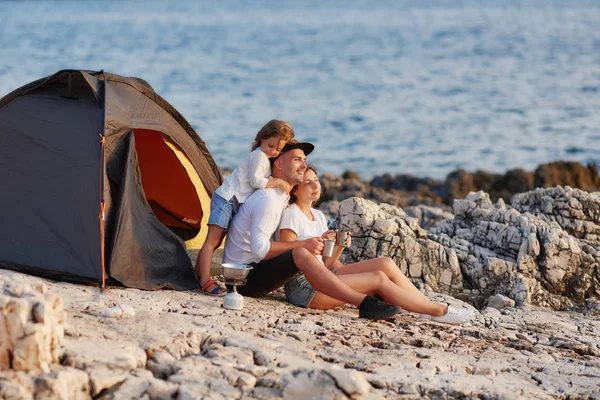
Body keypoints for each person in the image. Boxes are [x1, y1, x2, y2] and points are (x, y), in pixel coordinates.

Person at [222, 140, 400, 320]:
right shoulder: (269, 199)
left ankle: (375, 299)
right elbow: (260, 250)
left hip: (253, 270)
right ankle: (363, 303)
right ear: (279, 163)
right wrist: (303, 244)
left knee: (301, 252)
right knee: (299, 252)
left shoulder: (281, 197)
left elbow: (326, 262)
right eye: (297, 160)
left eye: (304, 160)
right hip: (243, 279)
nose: (304, 165)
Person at [276, 165, 473, 325]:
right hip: (304, 291)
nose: (315, 185)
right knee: (378, 278)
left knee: (385, 263)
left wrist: (337, 246)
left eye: (316, 180)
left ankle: (425, 307)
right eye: (307, 182)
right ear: (295, 189)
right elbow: (289, 262)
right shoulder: (292, 215)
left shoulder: (318, 216)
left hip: (323, 278)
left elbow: (326, 265)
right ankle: (438, 311)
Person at [195, 120, 295, 296]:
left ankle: (200, 273)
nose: (273, 152)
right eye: (270, 146)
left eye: (278, 149)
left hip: (234, 201)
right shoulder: (258, 156)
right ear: (261, 138)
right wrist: (278, 181)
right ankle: (205, 280)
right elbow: (257, 182)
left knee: (217, 241)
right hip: (227, 198)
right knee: (213, 240)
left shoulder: (264, 157)